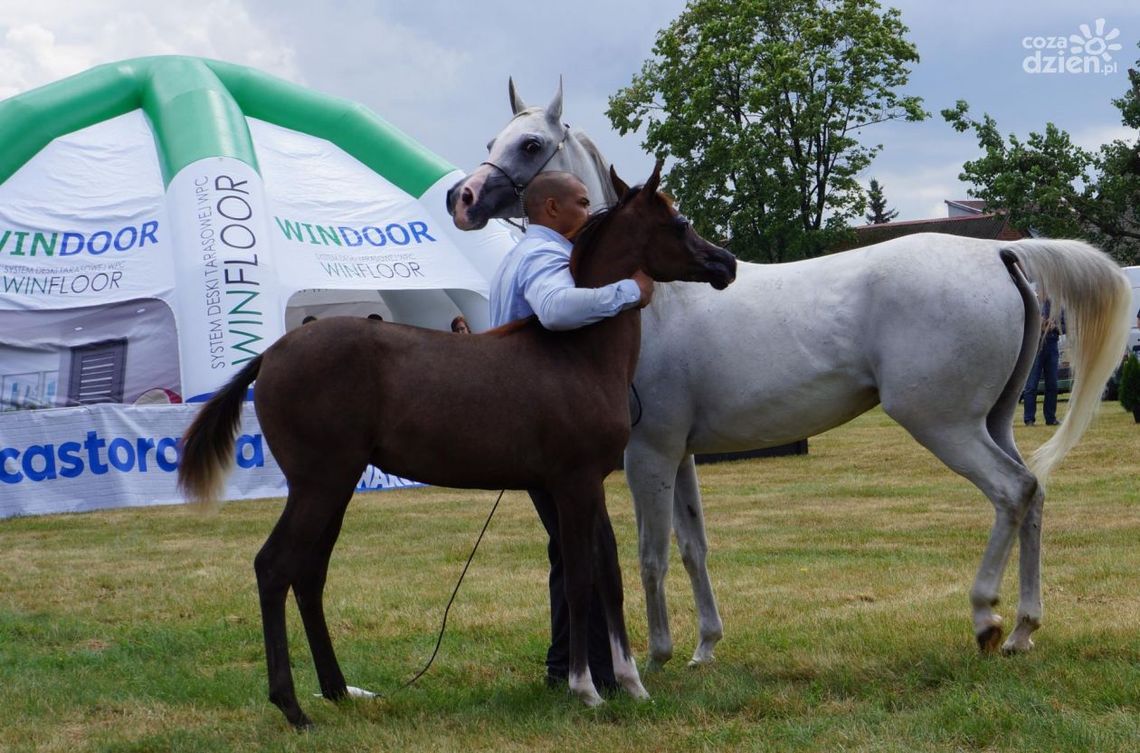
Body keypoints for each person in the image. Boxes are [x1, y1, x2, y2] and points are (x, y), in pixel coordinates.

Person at [488, 171, 653, 693]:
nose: (590, 210)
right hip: (550, 429)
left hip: (531, 426)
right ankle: (597, 669)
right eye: (582, 202)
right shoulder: (544, 253)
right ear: (552, 208)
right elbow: (557, 310)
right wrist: (629, 291)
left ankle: (565, 663)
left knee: (568, 546)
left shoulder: (518, 254)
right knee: (589, 546)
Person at [1023, 297, 1062, 426]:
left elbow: (1065, 326)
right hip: (1036, 345)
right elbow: (1026, 324)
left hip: (1052, 345)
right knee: (1031, 385)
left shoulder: (1058, 307)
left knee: (1052, 385)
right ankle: (1029, 419)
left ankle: (1050, 418)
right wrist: (1039, 325)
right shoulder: (1033, 302)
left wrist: (1055, 327)